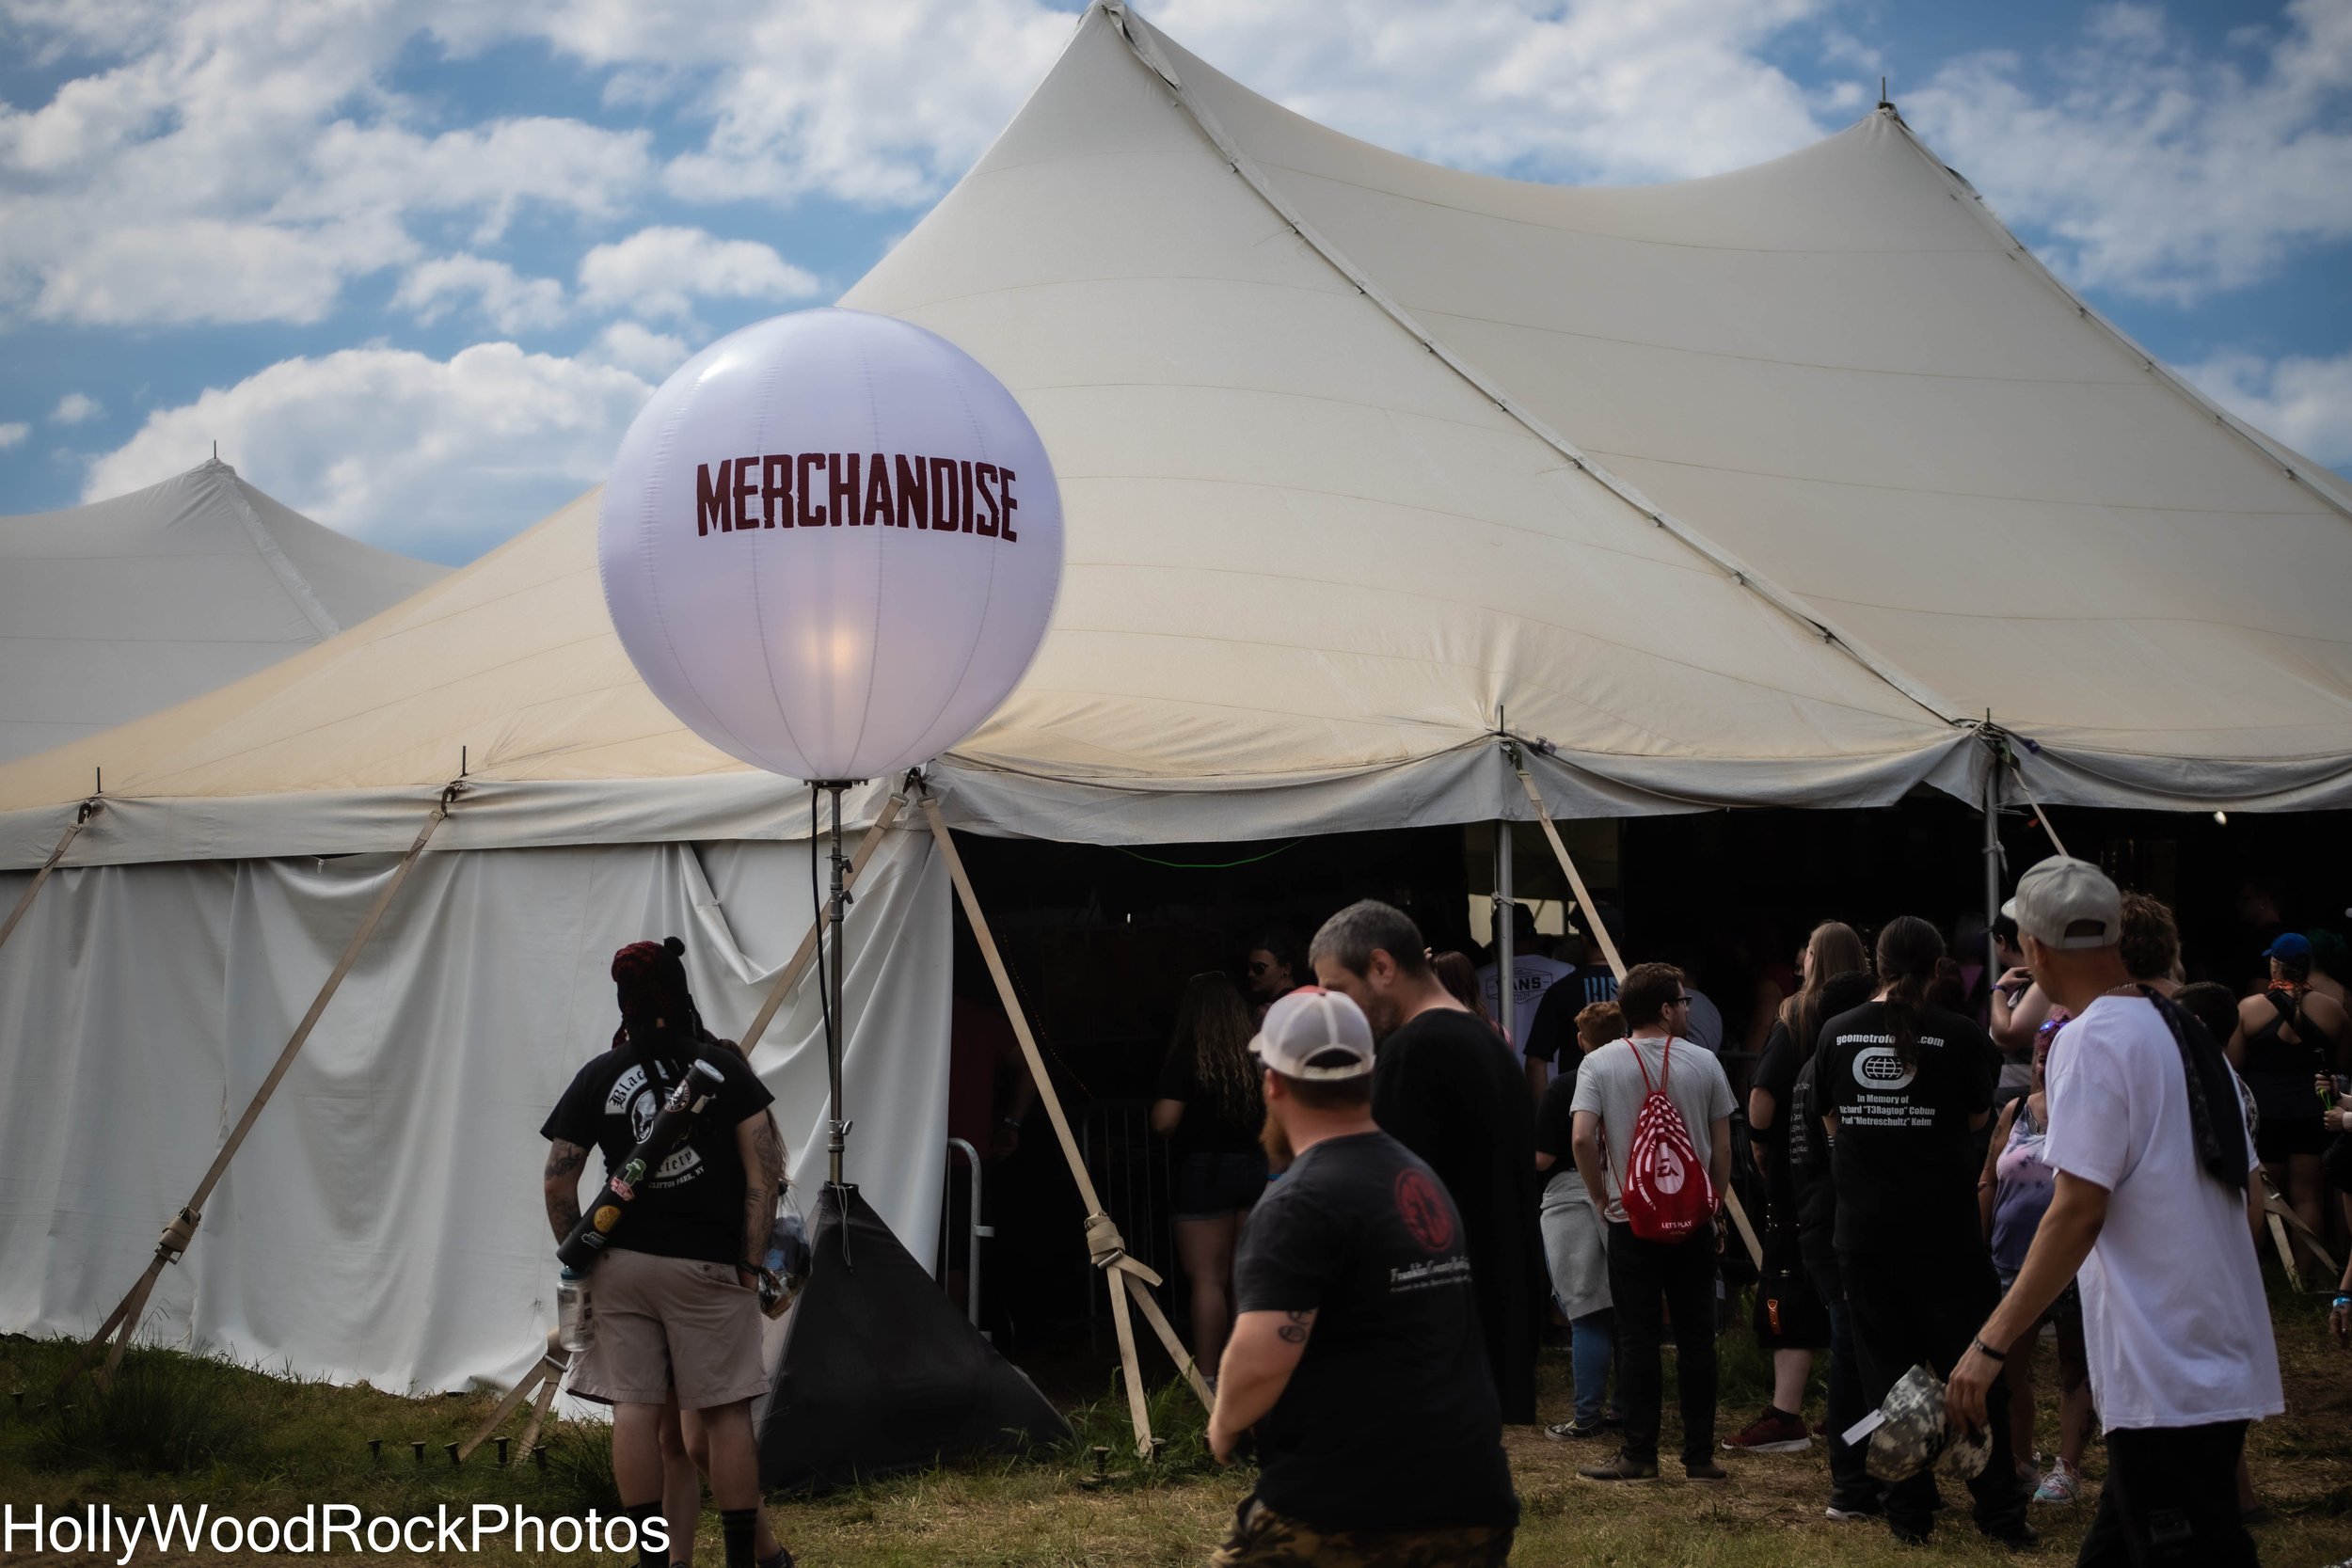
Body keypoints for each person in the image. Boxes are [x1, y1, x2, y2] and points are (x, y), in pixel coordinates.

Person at [1950, 856, 2282, 1568]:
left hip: (2167, 1367)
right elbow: (2248, 1190)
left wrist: (1990, 1343)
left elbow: (2077, 1209)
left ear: (2034, 947)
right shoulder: (2185, 1028)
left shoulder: (2090, 1038)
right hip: (2209, 1350)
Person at [1206, 987, 1518, 1566]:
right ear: (1368, 1074)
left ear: (1272, 1082)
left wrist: (1223, 1427)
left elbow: (1262, 1359)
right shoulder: (1418, 1179)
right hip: (1472, 1497)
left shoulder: (1299, 1202)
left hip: (1346, 1505)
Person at [540, 938, 790, 1568]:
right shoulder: (721, 1067)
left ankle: (653, 1562)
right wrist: (752, 1262)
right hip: (707, 1265)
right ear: (680, 992)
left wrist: (585, 1257)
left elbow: (557, 1179)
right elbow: (765, 1172)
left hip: (621, 1264)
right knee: (726, 1414)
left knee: (635, 1410)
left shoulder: (599, 1073)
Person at [1820, 916, 2031, 1547]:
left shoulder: (1835, 1032)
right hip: (1945, 1233)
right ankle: (2000, 1514)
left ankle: (1908, 1514)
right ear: (1939, 964)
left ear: (1876, 963)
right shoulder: (1960, 1034)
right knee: (1973, 1370)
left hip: (1865, 1233)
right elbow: (1975, 1117)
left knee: (1889, 1377)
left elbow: (1831, 1123)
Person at [1311, 900, 1543, 1424]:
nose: (1340, 1009)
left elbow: (1390, 1201)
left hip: (1431, 1328)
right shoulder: (1482, 1037)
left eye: (1341, 989)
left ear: (1382, 966)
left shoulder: (1416, 1049)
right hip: (1489, 1317)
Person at [1567, 963, 1736, 1482]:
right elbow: (1724, 1145)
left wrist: (1600, 1196)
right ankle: (1700, 1456)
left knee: (1636, 1335)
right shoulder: (1705, 1062)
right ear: (1665, 1009)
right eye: (1682, 1002)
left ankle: (1639, 1455)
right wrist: (1714, 1202)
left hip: (1630, 1219)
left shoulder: (1598, 1064)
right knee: (1696, 1338)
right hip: (1692, 1222)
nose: (1687, 1009)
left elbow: (1580, 1138)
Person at [1732, 919, 1868, 1456]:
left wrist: (1761, 1145)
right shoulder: (1881, 1017)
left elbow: (1762, 1095)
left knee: (1788, 1284)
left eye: (1807, 950)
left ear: (1817, 958)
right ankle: (1859, 1411)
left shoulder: (1798, 1014)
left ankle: (1786, 1413)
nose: (1800, 957)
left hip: (1803, 1173)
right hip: (1867, 1176)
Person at [1978, 1025, 2095, 1506]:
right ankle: (2018, 1460)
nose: (2045, 1065)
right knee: (2006, 1366)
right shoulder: (2015, 1111)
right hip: (2010, 1260)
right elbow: (1988, 1178)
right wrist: (1979, 1244)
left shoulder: (2092, 1115)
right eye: (2041, 1056)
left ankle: (2068, 1468)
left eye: (2055, 1056)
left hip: (2072, 1262)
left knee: (2074, 1365)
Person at [1786, 967, 1884, 1522]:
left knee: (1857, 1355)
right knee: (1853, 1359)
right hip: (1842, 1230)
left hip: (1818, 1227)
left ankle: (1863, 1476)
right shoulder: (1835, 1070)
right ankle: (1851, 1484)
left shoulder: (1808, 1068)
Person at [1152, 972, 1271, 1380]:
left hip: (1204, 1170)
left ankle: (1207, 1378)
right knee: (1242, 1278)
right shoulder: (1256, 1053)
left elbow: (1165, 1121)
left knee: (1207, 1280)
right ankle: (1245, 1369)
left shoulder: (1188, 1053)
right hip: (1256, 1167)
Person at [1535, 1000, 1626, 1441]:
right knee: (1628, 1308)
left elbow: (1543, 1157)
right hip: (1630, 1190)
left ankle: (1587, 1416)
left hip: (1573, 1196)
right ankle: (1625, 1408)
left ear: (1580, 1040)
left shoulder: (1564, 1087)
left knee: (1588, 1312)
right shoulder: (1636, 1079)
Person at [2237, 932, 2346, 1277]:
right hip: (2312, 1112)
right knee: (2307, 1195)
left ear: (2275, 964)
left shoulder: (2249, 1008)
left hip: (2265, 1113)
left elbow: (2235, 1065)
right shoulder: (2334, 1011)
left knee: (2260, 1197)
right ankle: (2305, 1274)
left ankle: (2251, 1274)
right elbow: (2342, 1065)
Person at [1474, 901, 1575, 1069]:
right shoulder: (1564, 972)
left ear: (1495, 935)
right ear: (1533, 932)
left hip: (1503, 1080)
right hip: (1551, 1079)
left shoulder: (1478, 978)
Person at [1245, 930, 1304, 1024]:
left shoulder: (1267, 1013)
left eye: (1259, 968)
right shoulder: (1307, 1002)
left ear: (1286, 969)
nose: (1250, 973)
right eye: (1249, 966)